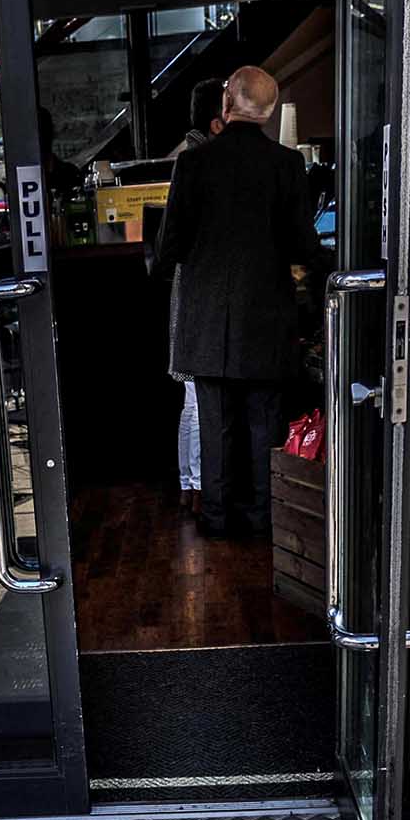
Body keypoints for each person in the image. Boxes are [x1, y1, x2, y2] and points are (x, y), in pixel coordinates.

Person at [155, 64, 325, 538]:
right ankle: (260, 520)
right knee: (263, 425)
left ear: (226, 103)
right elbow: (301, 246)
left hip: (207, 317)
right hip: (266, 316)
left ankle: (215, 518)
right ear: (269, 111)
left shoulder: (192, 163)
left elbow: (170, 249)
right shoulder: (287, 165)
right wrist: (331, 265)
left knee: (215, 426)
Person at [168, 78, 226, 506]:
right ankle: (195, 484)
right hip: (197, 290)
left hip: (191, 288)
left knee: (193, 393)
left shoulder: (193, 157)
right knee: (195, 395)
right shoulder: (198, 161)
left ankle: (193, 483)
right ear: (216, 121)